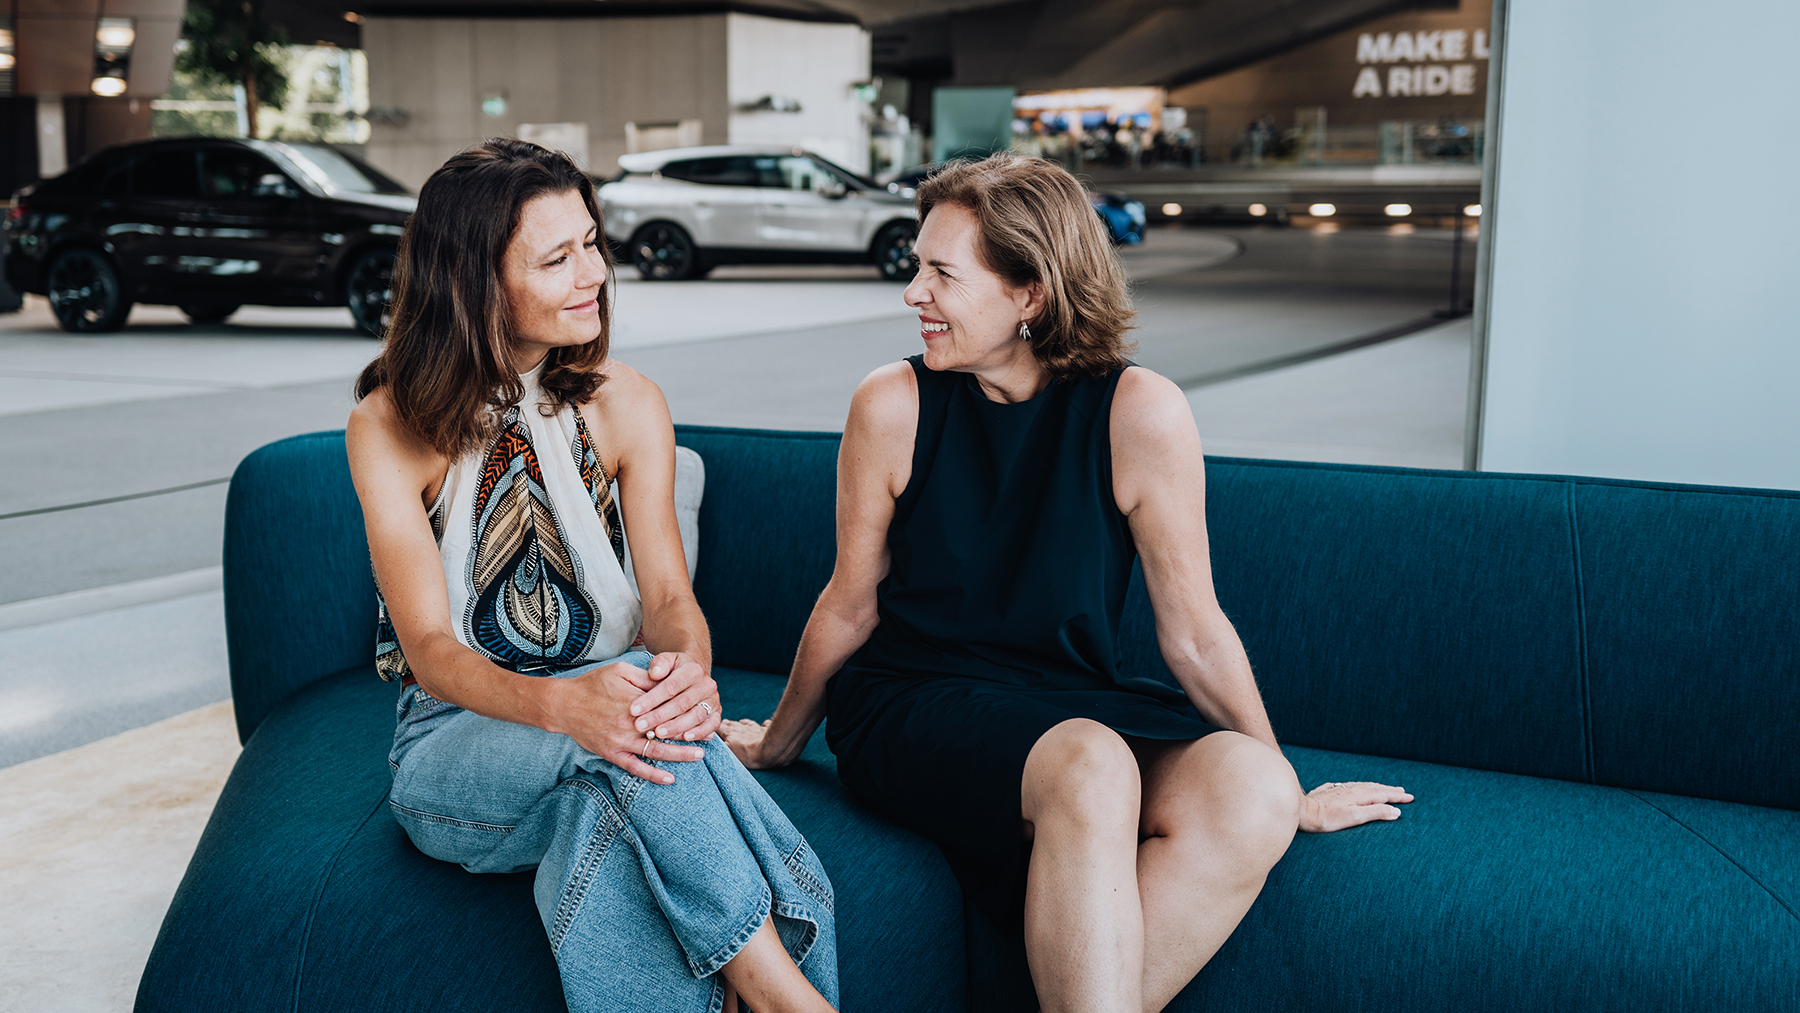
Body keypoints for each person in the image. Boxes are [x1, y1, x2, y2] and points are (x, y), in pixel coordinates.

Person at [720, 154, 1412, 1013]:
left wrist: (1292, 781)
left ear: (1031, 295)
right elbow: (849, 601)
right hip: (917, 700)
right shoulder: (892, 402)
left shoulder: (1140, 411)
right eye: (916, 268)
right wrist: (781, 742)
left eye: (940, 272)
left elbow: (1194, 631)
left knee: (1252, 788)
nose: (912, 294)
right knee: (1091, 762)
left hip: (1068, 700)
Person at [346, 138, 837, 1013]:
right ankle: (787, 995)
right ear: (475, 283)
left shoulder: (630, 400)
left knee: (616, 776)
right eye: (558, 257)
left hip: (619, 707)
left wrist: (686, 669)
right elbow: (426, 648)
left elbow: (671, 602)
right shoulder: (388, 425)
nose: (596, 274)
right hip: (454, 739)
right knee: (630, 736)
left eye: (592, 243)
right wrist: (565, 707)